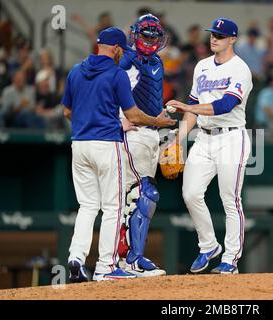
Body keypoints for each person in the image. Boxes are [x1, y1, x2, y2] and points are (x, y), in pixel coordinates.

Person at [62, 27, 175, 282]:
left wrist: (87, 121)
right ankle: (106, 267)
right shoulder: (116, 74)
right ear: (115, 49)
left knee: (87, 206)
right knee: (113, 207)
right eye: (121, 49)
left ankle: (76, 258)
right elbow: (133, 116)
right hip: (106, 143)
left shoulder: (76, 70)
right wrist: (158, 123)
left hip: (79, 144)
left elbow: (67, 111)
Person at [166, 17, 253, 274]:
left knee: (230, 199)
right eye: (213, 34)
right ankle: (208, 246)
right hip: (203, 137)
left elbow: (226, 105)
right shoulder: (202, 66)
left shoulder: (240, 69)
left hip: (231, 137)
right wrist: (177, 138)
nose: (214, 38)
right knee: (190, 193)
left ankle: (231, 259)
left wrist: (188, 107)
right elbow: (193, 108)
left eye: (220, 35)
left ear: (232, 39)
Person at [116, 14, 168, 277]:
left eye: (153, 36)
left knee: (140, 196)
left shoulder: (157, 61)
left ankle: (125, 259)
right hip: (134, 132)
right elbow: (111, 87)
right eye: (145, 35)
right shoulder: (128, 58)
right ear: (135, 34)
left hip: (152, 133)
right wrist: (118, 120)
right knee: (141, 194)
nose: (149, 40)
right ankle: (130, 258)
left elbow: (150, 97)